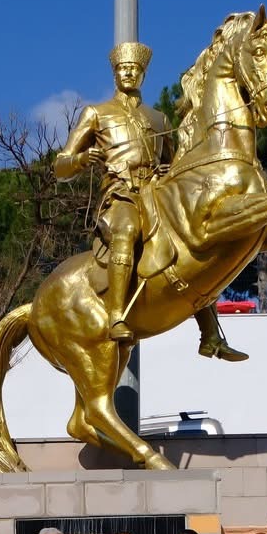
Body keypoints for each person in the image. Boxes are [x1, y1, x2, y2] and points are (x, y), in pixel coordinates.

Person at [56, 39, 170, 344]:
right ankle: (117, 313)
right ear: (114, 74)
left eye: (134, 69)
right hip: (120, 195)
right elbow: (60, 166)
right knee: (127, 230)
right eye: (123, 69)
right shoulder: (96, 113)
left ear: (144, 74)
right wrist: (81, 159)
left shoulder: (159, 118)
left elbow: (176, 163)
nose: (129, 73)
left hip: (156, 196)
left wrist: (167, 170)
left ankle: (209, 331)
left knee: (192, 234)